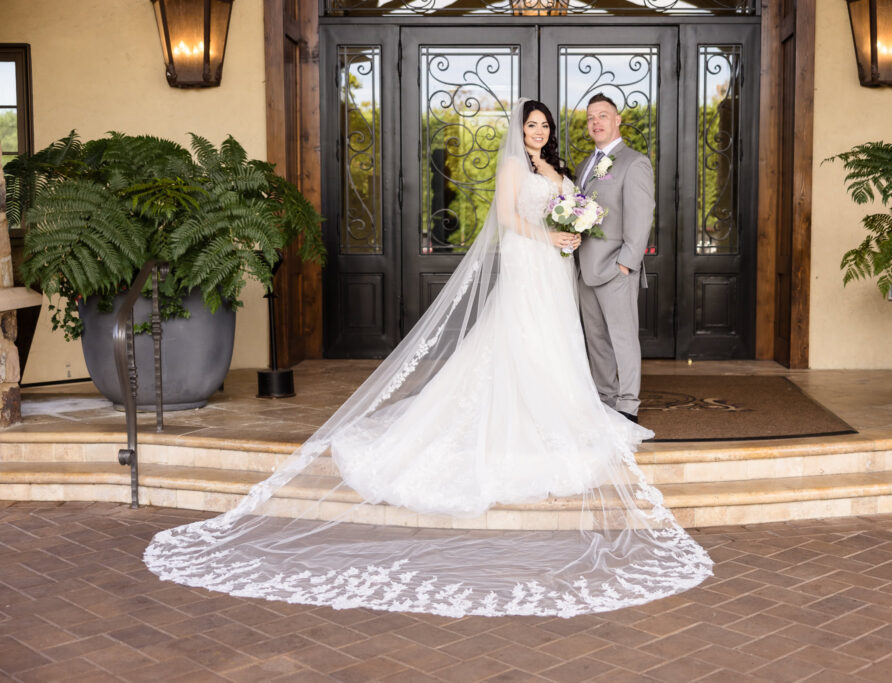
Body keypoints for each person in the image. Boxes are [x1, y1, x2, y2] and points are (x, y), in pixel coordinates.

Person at [144, 99, 711, 619]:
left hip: (563, 271)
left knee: (566, 344)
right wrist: (553, 238)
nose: (539, 130)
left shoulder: (573, 169)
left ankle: (600, 406)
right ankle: (552, 414)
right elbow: (511, 219)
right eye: (531, 124)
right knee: (524, 341)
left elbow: (592, 214)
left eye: (545, 125)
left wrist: (573, 235)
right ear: (520, 130)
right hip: (530, 261)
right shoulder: (517, 167)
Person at [576, 93, 656, 424]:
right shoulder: (584, 165)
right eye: (591, 117)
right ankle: (606, 399)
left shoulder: (634, 162)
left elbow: (642, 216)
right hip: (584, 268)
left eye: (603, 116)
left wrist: (626, 264)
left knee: (622, 339)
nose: (596, 122)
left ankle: (627, 404)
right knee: (596, 340)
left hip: (615, 268)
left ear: (617, 120)